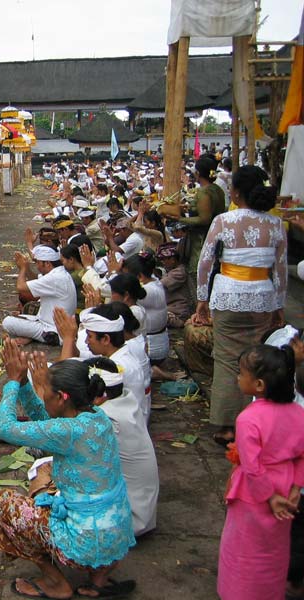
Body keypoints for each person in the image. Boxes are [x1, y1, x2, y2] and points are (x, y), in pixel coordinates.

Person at [0, 340, 136, 600]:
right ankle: (99, 577)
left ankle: (56, 582)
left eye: (45, 389)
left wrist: (11, 382)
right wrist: (25, 385)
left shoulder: (68, 431)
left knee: (5, 504)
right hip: (117, 533)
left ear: (61, 397)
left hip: (85, 542)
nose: (42, 393)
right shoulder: (95, 417)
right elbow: (47, 421)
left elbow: (5, 428)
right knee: (51, 480)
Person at [196, 166, 287, 446]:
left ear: (234, 192)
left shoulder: (224, 221)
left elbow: (205, 262)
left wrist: (201, 299)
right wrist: (279, 304)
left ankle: (226, 427)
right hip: (261, 297)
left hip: (227, 297)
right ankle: (254, 422)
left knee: (225, 360)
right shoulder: (275, 224)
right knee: (256, 359)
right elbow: (280, 269)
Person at [217, 345, 304, 600]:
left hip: (254, 493)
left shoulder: (249, 419)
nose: (237, 377)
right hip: (286, 486)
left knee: (244, 550)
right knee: (275, 551)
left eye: (241, 373)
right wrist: (295, 489)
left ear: (258, 385)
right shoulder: (298, 413)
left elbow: (252, 466)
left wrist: (269, 497)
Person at [86, 356, 159, 537]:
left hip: (129, 520)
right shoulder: (127, 399)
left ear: (98, 397)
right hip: (141, 509)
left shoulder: (107, 419)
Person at [160, 156, 226, 300]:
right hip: (215, 237)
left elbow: (204, 218)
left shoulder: (204, 192)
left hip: (201, 240)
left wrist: (180, 219)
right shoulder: (218, 190)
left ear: (198, 173)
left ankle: (200, 309)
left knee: (198, 273)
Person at [1, 245, 76, 346]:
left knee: (7, 322)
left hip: (53, 331)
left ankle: (35, 336)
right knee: (21, 317)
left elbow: (21, 287)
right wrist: (27, 268)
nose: (37, 266)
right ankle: (31, 336)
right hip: (53, 325)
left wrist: (22, 269)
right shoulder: (60, 273)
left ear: (47, 263)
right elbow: (35, 279)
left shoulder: (55, 278)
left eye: (38, 263)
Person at [124, 252, 170, 363]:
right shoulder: (152, 280)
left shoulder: (149, 291)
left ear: (140, 276)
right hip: (152, 344)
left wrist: (113, 272)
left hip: (152, 351)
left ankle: (155, 372)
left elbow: (114, 292)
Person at [157, 242, 191, 328]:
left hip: (178, 313)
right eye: (162, 259)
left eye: (166, 259)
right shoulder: (171, 270)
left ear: (173, 258)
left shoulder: (179, 272)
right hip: (170, 309)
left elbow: (159, 286)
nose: (163, 262)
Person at [60, 244, 86, 313]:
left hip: (78, 310)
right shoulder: (84, 270)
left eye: (62, 261)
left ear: (71, 259)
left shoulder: (75, 276)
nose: (62, 264)